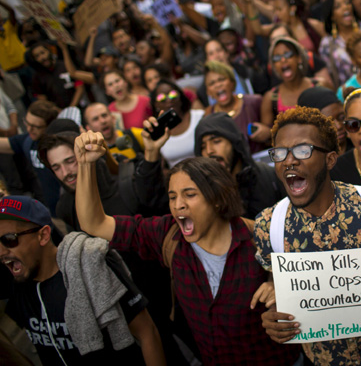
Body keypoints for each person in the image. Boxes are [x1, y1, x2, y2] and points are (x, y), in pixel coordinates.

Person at [74, 131, 302, 365]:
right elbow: (94, 223)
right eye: (172, 197)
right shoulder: (168, 235)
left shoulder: (262, 236)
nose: (178, 205)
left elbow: (311, 287)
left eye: (189, 195)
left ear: (216, 198)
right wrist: (84, 164)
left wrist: (281, 290)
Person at [255, 107, 361, 365]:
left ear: (331, 160)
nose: (289, 160)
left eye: (302, 150)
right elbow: (278, 285)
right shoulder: (268, 225)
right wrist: (274, 318)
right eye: (280, 152)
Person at [0, 195, 166, 365]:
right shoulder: (18, 283)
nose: (1, 251)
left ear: (43, 235)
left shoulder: (90, 265)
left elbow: (147, 333)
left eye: (9, 240)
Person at [194, 112, 285, 219]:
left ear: (234, 143)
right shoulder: (206, 194)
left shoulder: (270, 177)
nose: (209, 151)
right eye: (203, 147)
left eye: (216, 141)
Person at [0, 100, 61, 214]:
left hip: (72, 203)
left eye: (35, 126)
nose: (29, 129)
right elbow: (4, 144)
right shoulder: (27, 141)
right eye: (27, 123)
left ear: (50, 125)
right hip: (52, 210)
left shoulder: (60, 145)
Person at [202, 61, 267, 153]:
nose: (218, 85)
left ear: (232, 83)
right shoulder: (208, 116)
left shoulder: (254, 102)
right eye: (212, 83)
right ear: (208, 92)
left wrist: (268, 133)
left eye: (221, 79)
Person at [261, 37, 323, 128]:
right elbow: (268, 135)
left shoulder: (320, 85)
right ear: (273, 66)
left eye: (288, 54)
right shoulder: (270, 99)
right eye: (277, 58)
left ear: (299, 58)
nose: (283, 60)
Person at [150, 80, 204, 168]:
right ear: (156, 105)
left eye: (173, 94)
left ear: (180, 97)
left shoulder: (199, 117)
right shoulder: (157, 131)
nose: (169, 99)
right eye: (161, 98)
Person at [26, 41, 86, 109]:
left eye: (43, 53)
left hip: (77, 106)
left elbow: (80, 87)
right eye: (37, 56)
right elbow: (43, 100)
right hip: (57, 112)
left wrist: (71, 107)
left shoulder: (65, 66)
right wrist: (58, 111)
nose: (42, 57)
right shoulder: (37, 78)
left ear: (49, 51)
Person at [318, 0, 359, 88]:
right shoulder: (327, 44)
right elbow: (330, 77)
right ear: (332, 16)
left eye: (347, 3)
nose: (345, 7)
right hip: (347, 94)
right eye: (338, 6)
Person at [297, 86, 351, 154]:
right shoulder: (305, 159)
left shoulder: (358, 148)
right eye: (329, 122)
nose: (339, 126)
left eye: (342, 118)